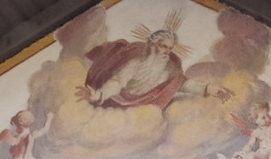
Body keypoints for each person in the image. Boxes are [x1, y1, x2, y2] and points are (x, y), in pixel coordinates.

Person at [77, 27, 232, 110]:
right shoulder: (136, 63)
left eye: (170, 48)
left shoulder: (170, 69)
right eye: (163, 46)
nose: (167, 52)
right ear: (152, 45)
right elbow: (118, 81)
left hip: (148, 112)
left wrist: (212, 89)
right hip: (121, 107)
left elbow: (184, 84)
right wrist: (99, 95)